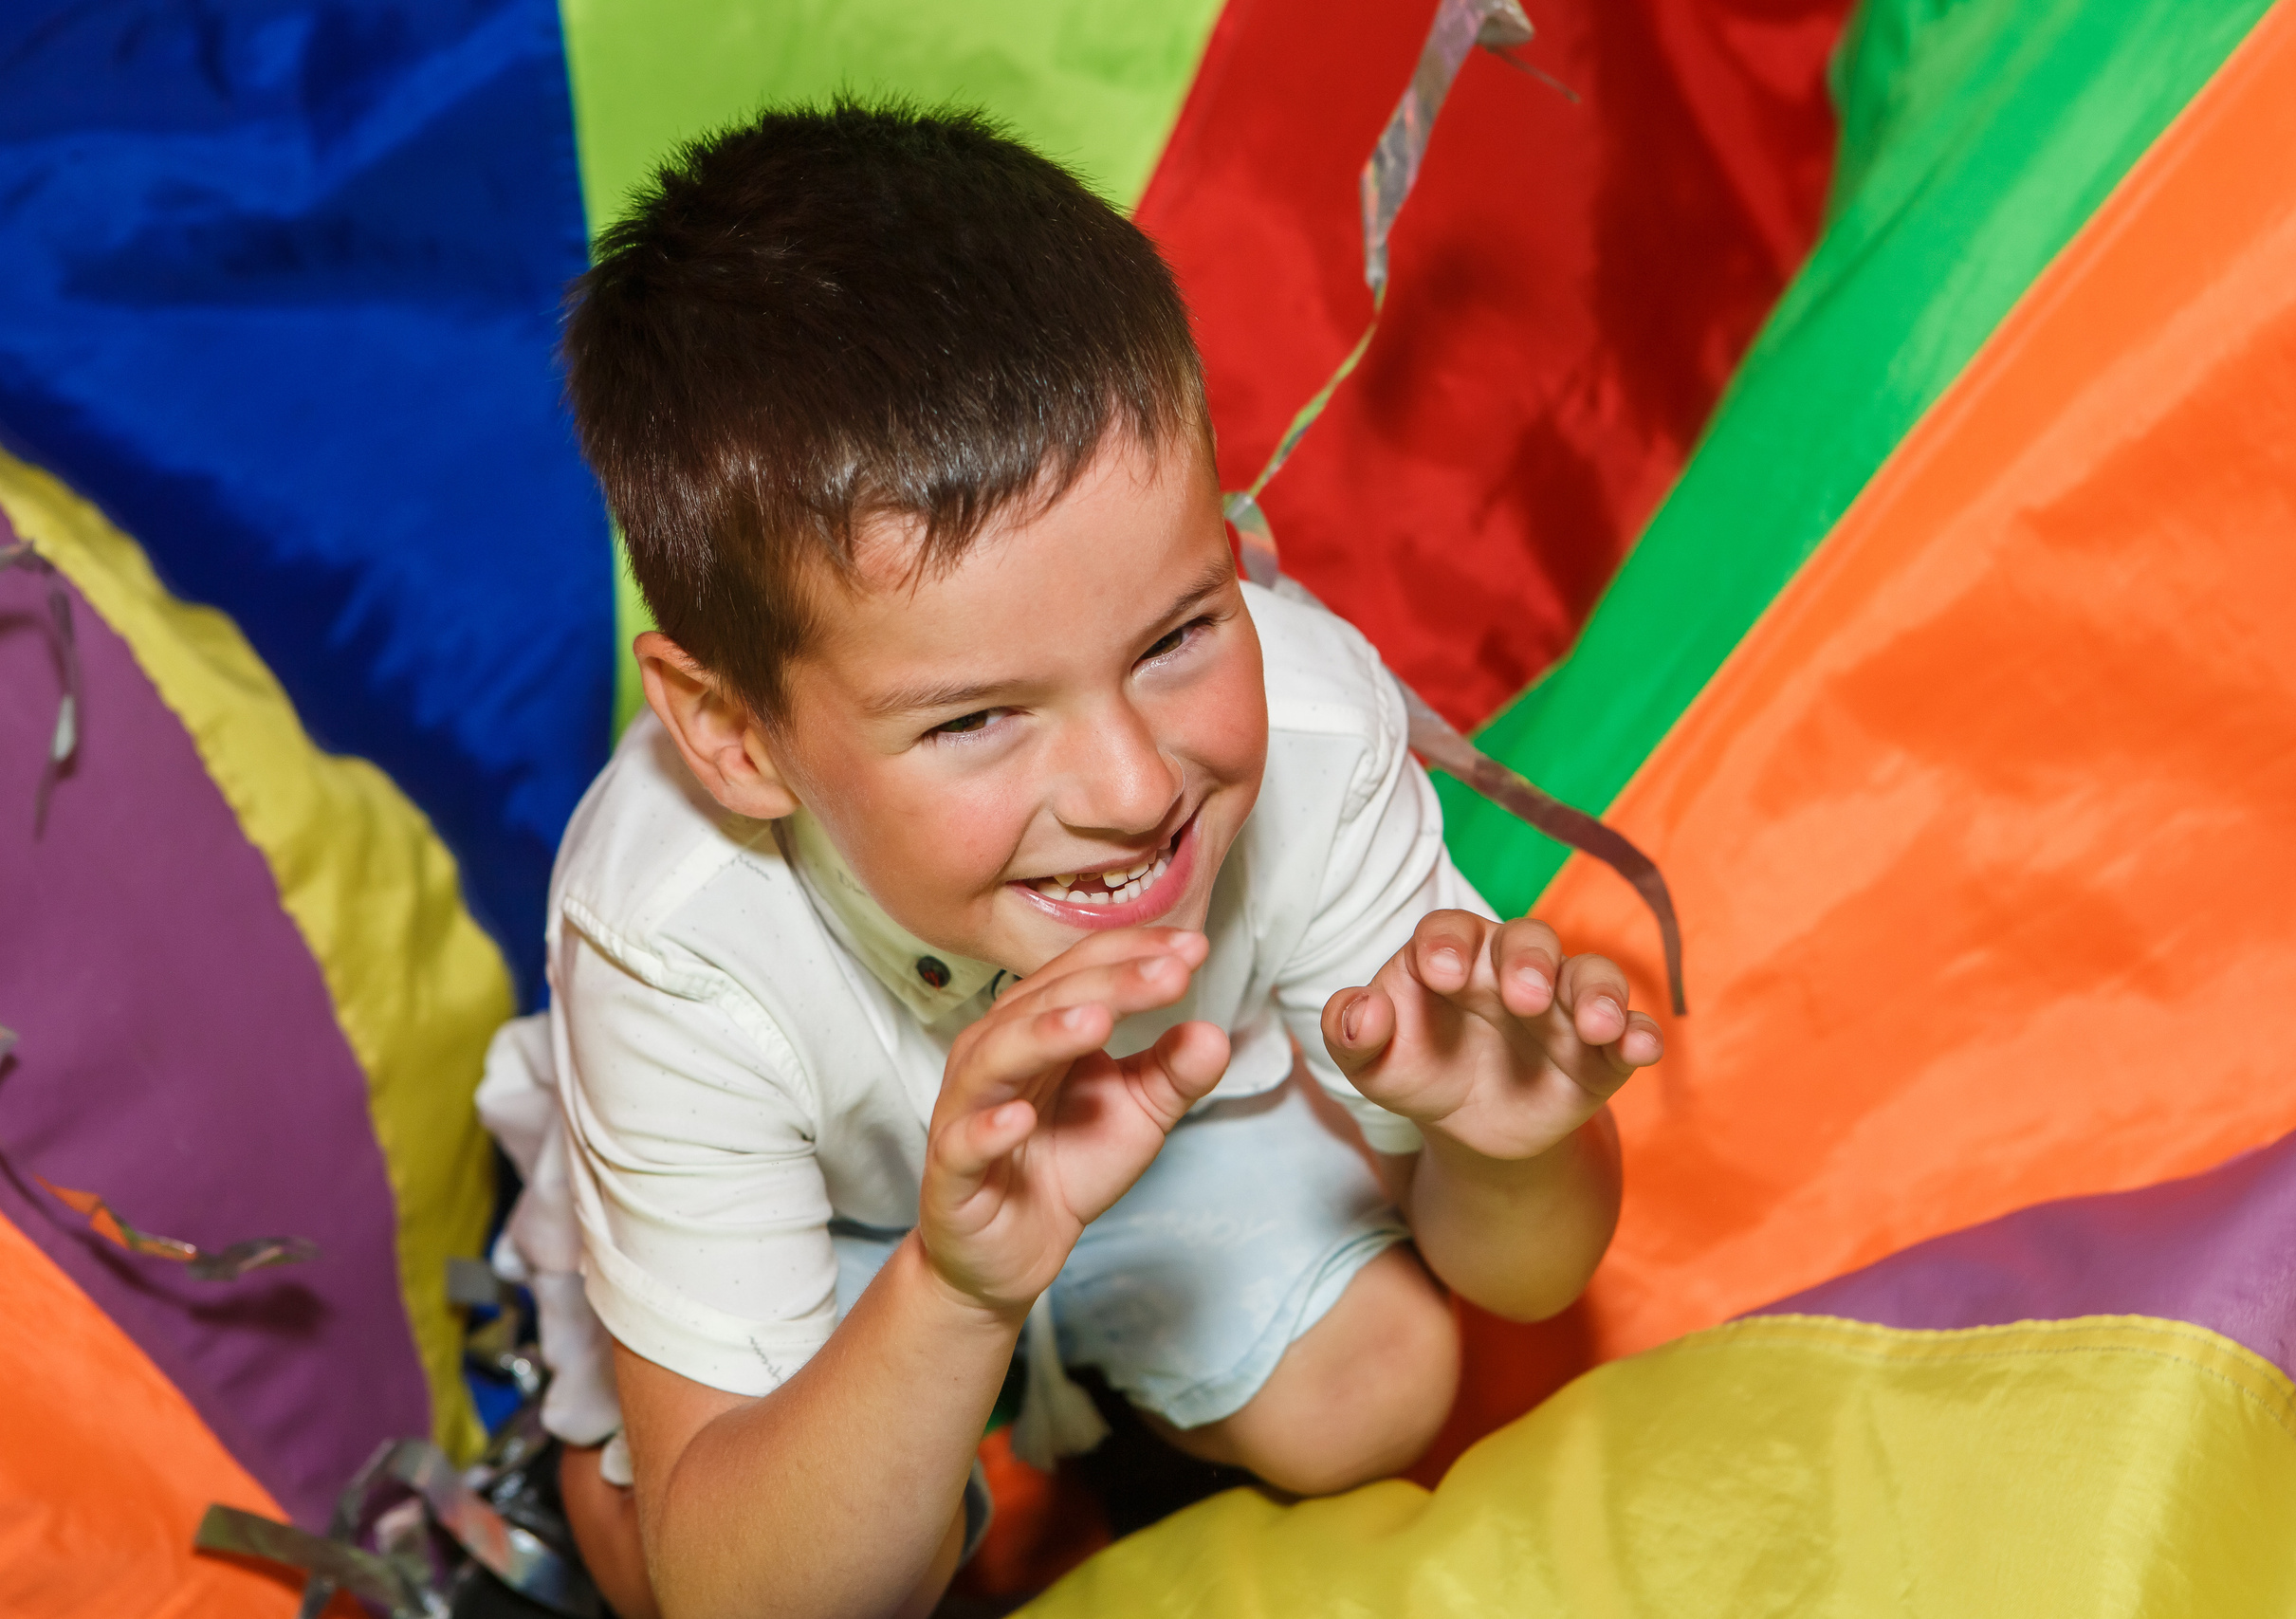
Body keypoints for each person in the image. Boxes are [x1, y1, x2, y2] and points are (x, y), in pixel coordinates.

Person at [539, 100, 1662, 1619]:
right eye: (980, 719)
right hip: (857, 1225)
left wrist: (1507, 1138)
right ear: (737, 739)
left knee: (1383, 1384)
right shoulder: (671, 923)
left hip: (1161, 1151)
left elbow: (1527, 1278)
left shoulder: (1312, 727)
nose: (1137, 786)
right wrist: (956, 1292)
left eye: (1181, 633)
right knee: (676, 1561)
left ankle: (1100, 1403)